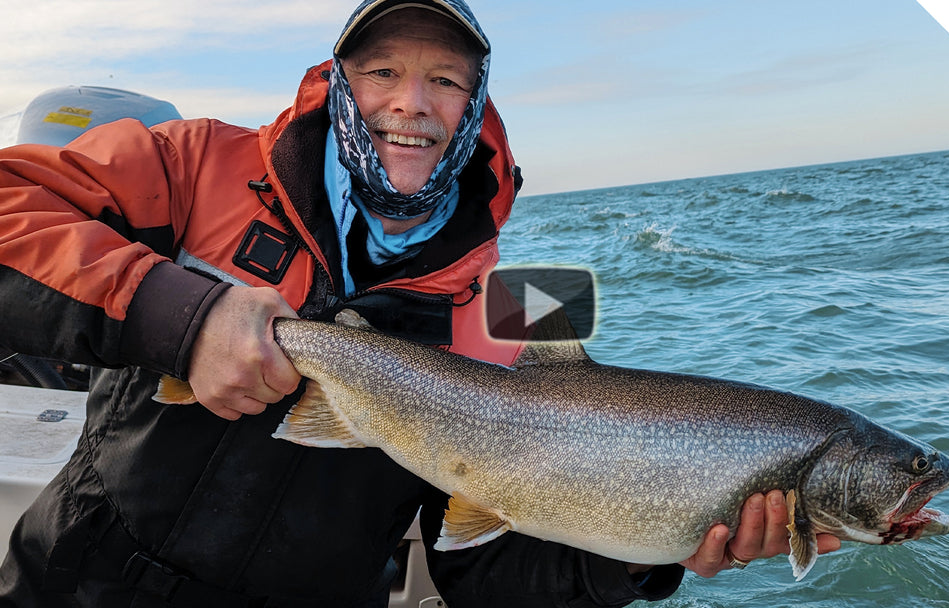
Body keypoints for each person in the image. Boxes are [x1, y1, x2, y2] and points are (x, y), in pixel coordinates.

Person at [0, 0, 840, 606]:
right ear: (337, 82)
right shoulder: (191, 163)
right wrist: (180, 318)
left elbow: (492, 575)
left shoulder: (530, 303)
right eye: (382, 72)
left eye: (445, 78)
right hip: (73, 580)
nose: (412, 102)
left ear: (475, 107)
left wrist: (642, 554)